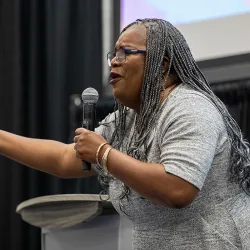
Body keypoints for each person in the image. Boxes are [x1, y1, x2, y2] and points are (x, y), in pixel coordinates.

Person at [0, 18, 250, 249]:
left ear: (161, 65)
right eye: (114, 54)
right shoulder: (128, 120)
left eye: (125, 53)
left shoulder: (190, 108)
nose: (114, 61)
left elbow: (177, 188)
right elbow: (66, 159)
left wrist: (103, 152)